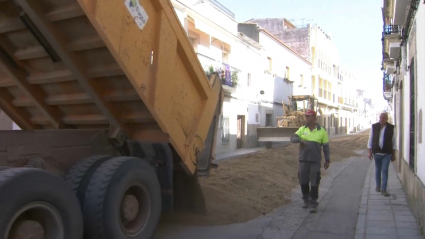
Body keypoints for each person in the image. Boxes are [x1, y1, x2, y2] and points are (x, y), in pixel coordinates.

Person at [290, 110, 330, 213]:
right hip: (303, 160)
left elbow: (326, 147)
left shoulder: (322, 131)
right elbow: (292, 138)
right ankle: (305, 200)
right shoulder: (302, 129)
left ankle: (313, 203)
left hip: (315, 161)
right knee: (303, 181)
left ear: (314, 117)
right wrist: (300, 140)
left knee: (315, 182)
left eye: (308, 116)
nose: (306, 118)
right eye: (306, 116)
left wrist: (327, 159)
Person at [367, 112, 396, 197]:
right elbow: (370, 139)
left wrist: (393, 154)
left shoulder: (391, 128)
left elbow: (394, 142)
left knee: (384, 170)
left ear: (387, 119)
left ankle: (384, 189)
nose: (381, 119)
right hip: (377, 153)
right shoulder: (374, 127)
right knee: (377, 170)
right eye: (380, 117)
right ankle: (378, 186)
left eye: (383, 118)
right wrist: (369, 152)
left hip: (387, 153)